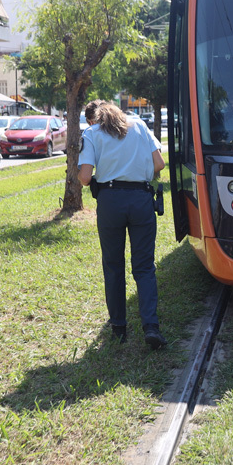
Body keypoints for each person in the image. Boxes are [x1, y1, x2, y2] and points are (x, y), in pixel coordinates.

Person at [77, 100, 167, 350]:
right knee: (144, 266)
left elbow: (85, 178)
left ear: (96, 119)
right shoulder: (139, 125)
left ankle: (118, 328)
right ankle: (151, 326)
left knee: (113, 266)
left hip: (110, 201)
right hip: (141, 199)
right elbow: (159, 164)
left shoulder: (92, 133)